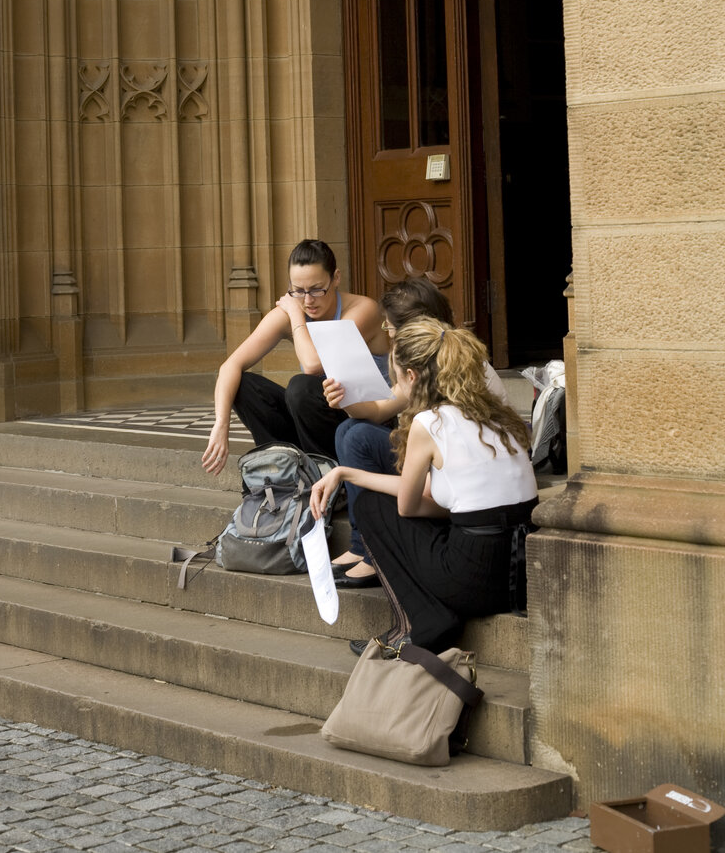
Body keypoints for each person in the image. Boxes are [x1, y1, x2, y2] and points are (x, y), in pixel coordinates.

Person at [309, 315, 537, 655]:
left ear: (413, 376)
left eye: (396, 379)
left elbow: (407, 507)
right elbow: (457, 502)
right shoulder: (501, 416)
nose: (395, 387)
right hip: (520, 580)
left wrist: (350, 475)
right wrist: (346, 472)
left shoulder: (429, 423)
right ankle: (425, 619)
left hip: (471, 584)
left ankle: (416, 624)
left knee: (371, 506)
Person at [201, 239, 384, 475]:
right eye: (298, 291)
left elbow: (314, 365)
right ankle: (285, 469)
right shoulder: (294, 309)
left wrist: (296, 315)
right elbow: (231, 365)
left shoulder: (362, 309)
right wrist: (221, 423)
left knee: (302, 387)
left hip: (364, 422)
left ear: (336, 278)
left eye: (317, 290)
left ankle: (324, 473)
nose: (308, 300)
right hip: (316, 421)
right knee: (244, 385)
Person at [326, 279, 457, 589]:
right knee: (350, 428)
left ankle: (377, 553)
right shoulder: (424, 357)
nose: (388, 334)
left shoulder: (450, 361)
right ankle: (363, 543)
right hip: (434, 463)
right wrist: (345, 399)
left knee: (357, 438)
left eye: (391, 328)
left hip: (449, 473)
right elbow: (380, 409)